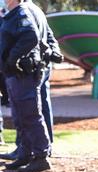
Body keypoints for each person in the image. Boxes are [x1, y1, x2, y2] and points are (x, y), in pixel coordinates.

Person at [0, 0, 51, 172]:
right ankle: (25, 153)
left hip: (23, 73)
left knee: (30, 114)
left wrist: (12, 59)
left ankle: (41, 156)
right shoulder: (12, 14)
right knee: (19, 115)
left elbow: (31, 35)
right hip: (13, 74)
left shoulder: (21, 13)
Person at [26, 0, 63, 146]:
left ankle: (28, 148)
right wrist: (54, 53)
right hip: (43, 65)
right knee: (43, 104)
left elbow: (28, 39)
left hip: (32, 66)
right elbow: (50, 37)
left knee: (29, 108)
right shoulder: (37, 10)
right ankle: (47, 144)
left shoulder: (23, 11)